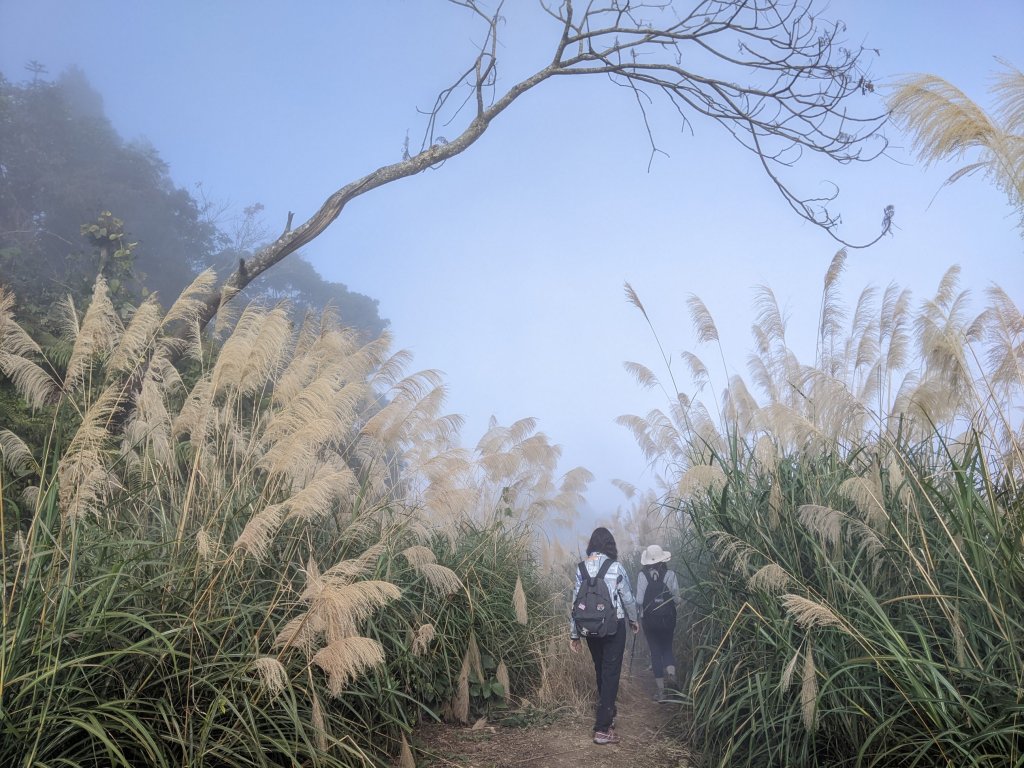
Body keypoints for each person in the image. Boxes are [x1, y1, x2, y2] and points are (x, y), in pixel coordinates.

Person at [569, 527, 639, 745]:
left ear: (591, 544)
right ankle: (602, 729)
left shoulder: (581, 568)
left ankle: (607, 714)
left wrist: (574, 635)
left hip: (589, 627)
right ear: (610, 545)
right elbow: (627, 597)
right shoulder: (615, 567)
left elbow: (575, 604)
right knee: (611, 672)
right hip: (613, 626)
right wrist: (633, 620)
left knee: (601, 668)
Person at [636, 543, 680, 702]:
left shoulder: (642, 575)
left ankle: (661, 693)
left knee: (655, 653)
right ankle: (673, 679)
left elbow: (639, 600)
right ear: (662, 559)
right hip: (668, 619)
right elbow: (677, 599)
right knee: (667, 648)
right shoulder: (670, 574)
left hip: (650, 621)